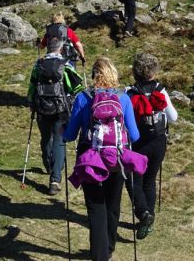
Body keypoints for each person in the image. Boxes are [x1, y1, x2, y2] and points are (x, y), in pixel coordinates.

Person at [63, 57, 140, 261]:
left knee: (96, 207)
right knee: (113, 204)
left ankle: (100, 256)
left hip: (90, 160)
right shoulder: (123, 99)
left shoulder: (83, 98)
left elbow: (70, 135)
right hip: (117, 159)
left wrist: (64, 133)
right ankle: (110, 248)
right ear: (113, 74)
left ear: (93, 76)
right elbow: (135, 135)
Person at [126, 53, 178, 240]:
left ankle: (143, 213)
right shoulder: (160, 90)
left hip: (138, 142)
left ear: (135, 71)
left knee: (134, 181)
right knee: (150, 180)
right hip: (158, 141)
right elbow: (173, 117)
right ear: (154, 71)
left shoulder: (129, 91)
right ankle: (150, 218)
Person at [28, 36, 84, 195]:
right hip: (61, 110)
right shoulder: (65, 66)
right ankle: (55, 179)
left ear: (48, 48)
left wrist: (31, 103)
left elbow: (32, 87)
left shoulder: (38, 65)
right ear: (60, 48)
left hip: (41, 109)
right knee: (59, 141)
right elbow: (77, 88)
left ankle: (48, 163)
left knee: (46, 138)